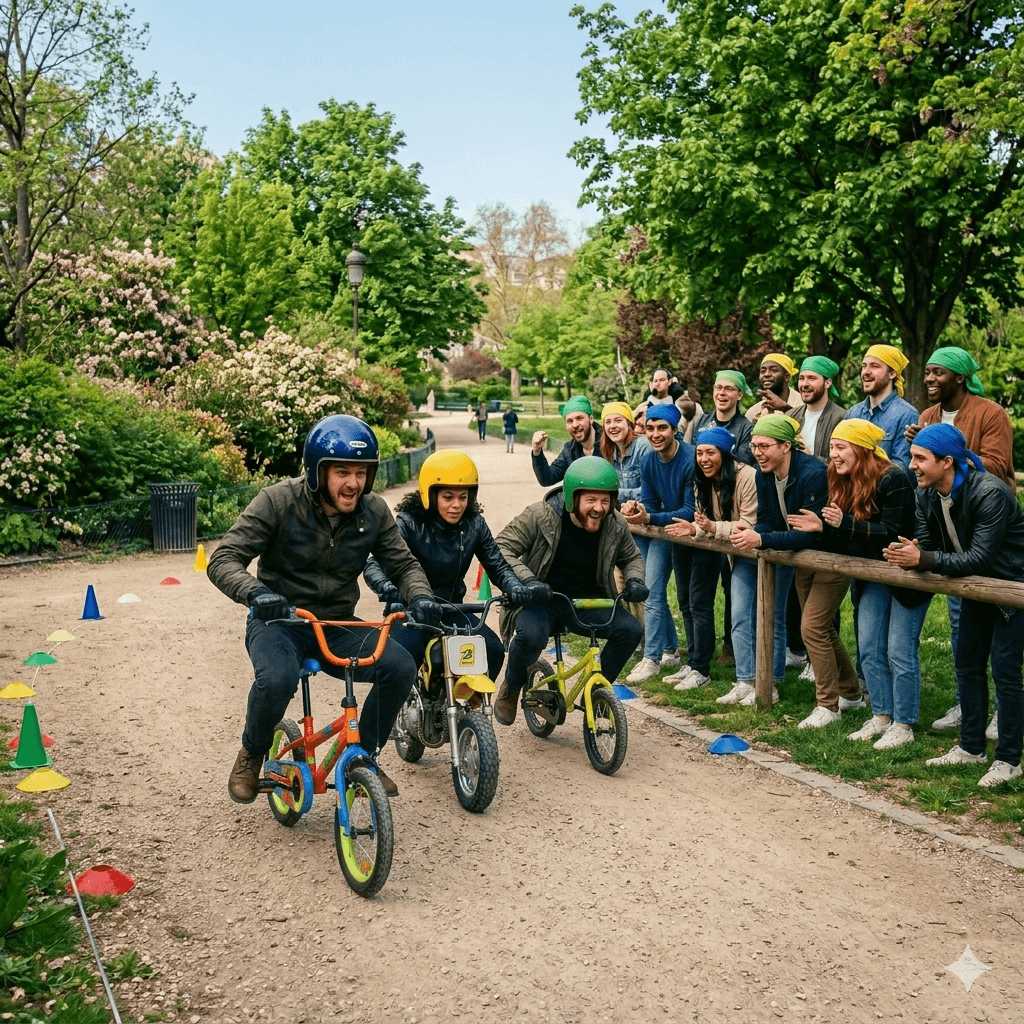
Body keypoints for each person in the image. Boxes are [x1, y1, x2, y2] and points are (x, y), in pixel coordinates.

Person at [207, 414, 440, 802]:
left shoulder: (374, 511)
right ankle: (251, 752)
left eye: (361, 473)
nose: (353, 483)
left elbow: (403, 564)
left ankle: (363, 756)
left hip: (336, 623)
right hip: (280, 621)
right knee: (277, 679)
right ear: (318, 472)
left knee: (400, 666)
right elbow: (224, 558)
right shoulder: (277, 501)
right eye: (342, 472)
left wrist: (421, 597)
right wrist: (256, 594)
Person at [885, 424, 1024, 786]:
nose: (912, 465)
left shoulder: (990, 492)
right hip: (976, 588)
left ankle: (1009, 760)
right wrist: (911, 552)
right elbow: (929, 543)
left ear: (947, 462)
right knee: (968, 666)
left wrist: (924, 558)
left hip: (1012, 589)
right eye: (912, 457)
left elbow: (979, 557)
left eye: (920, 458)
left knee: (1006, 672)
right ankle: (971, 748)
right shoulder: (927, 494)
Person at [789, 420, 924, 748]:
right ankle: (881, 716)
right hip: (871, 573)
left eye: (841, 447)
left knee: (898, 652)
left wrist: (842, 523)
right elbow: (848, 537)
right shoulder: (842, 477)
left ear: (862, 450)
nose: (833, 454)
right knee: (869, 648)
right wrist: (823, 526)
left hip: (905, 575)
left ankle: (903, 724)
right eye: (831, 447)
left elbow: (892, 533)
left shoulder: (893, 477)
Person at [905, 346, 1015, 733]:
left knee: (1003, 642)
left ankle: (1003, 710)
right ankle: (966, 704)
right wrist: (925, 444)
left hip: (988, 528)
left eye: (938, 372)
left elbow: (996, 466)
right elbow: (924, 472)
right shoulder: (927, 416)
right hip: (951, 528)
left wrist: (949, 447)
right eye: (927, 372)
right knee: (960, 626)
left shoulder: (991, 413)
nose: (929, 378)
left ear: (960, 378)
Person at [362, 451, 539, 687]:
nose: (457, 505)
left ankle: (468, 703)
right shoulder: (408, 522)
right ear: (430, 494)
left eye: (463, 497)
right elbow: (374, 564)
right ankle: (404, 703)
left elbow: (497, 565)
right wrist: (387, 588)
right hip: (410, 612)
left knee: (493, 650)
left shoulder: (475, 524)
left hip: (452, 609)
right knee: (399, 663)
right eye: (448, 497)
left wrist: (515, 586)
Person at [493, 457, 648, 725]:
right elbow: (501, 548)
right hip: (540, 598)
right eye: (591, 500)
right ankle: (512, 685)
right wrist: (528, 581)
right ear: (571, 498)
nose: (599, 508)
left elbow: (631, 557)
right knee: (531, 637)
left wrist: (635, 580)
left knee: (630, 630)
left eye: (606, 500)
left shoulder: (615, 523)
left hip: (588, 600)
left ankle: (594, 693)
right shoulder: (539, 515)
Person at [731, 415, 829, 712]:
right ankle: (762, 683)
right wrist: (752, 531)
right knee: (773, 615)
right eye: (754, 446)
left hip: (822, 557)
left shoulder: (813, 473)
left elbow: (810, 535)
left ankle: (841, 694)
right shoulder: (764, 474)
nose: (757, 452)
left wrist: (761, 539)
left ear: (786, 446)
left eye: (764, 446)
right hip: (784, 550)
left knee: (818, 628)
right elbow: (767, 519)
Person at [664, 426, 757, 692]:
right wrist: (695, 528)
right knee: (689, 602)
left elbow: (748, 523)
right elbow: (703, 519)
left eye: (710, 453)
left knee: (732, 612)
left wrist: (712, 527)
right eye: (700, 453)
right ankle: (695, 664)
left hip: (748, 550)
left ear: (724, 454)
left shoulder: (747, 476)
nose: (704, 459)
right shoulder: (702, 478)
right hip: (717, 544)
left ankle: (731, 675)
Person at [621, 404, 695, 682]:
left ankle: (654, 658)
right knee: (650, 590)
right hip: (661, 530)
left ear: (675, 430)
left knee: (658, 594)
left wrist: (650, 516)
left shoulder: (690, 458)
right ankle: (667, 651)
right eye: (650, 428)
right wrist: (639, 510)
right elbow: (650, 502)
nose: (655, 434)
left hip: (686, 531)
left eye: (662, 428)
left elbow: (689, 510)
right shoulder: (649, 460)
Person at [843, 345, 918, 469]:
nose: (866, 372)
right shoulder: (853, 413)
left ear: (892, 374)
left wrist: (862, 471)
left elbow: (903, 469)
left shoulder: (906, 415)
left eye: (874, 366)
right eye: (864, 366)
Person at [531, 395, 603, 486]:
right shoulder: (569, 449)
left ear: (591, 419)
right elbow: (547, 479)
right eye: (570, 421)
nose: (575, 425)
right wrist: (537, 451)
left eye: (579, 418)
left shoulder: (609, 441)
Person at [693, 370, 755, 466]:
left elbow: (743, 463)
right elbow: (692, 455)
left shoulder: (746, 428)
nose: (722, 393)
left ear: (740, 395)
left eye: (728, 389)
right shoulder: (702, 421)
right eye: (718, 388)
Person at [599, 401, 652, 509]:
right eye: (608, 422)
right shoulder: (609, 451)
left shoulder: (644, 447)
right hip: (622, 511)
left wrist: (614, 493)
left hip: (646, 512)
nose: (612, 426)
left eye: (618, 420)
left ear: (629, 423)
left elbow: (651, 492)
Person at [793, 356, 846, 461]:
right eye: (801, 378)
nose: (805, 384)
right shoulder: (791, 416)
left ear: (827, 383)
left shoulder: (842, 419)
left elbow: (844, 462)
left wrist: (811, 459)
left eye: (812, 378)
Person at [745, 354, 805, 422]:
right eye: (763, 371)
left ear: (787, 377)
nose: (766, 374)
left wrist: (786, 409)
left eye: (774, 370)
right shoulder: (753, 413)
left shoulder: (804, 405)